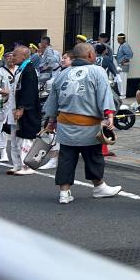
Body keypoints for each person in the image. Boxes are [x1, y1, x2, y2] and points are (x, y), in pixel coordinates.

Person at [42, 41, 121, 203]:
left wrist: (51, 121)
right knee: (93, 156)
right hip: (89, 125)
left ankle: (64, 192)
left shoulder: (62, 74)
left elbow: (53, 101)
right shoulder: (97, 71)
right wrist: (109, 116)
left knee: (66, 158)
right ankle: (99, 187)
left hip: (65, 124)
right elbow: (105, 95)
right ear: (91, 55)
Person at [9, 43, 42, 176]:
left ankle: (27, 165)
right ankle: (17, 164)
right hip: (14, 107)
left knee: (26, 138)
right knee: (15, 137)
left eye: (15, 54)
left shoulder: (29, 70)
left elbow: (29, 91)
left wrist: (22, 108)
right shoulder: (21, 69)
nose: (12, 56)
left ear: (23, 56)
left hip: (27, 110)